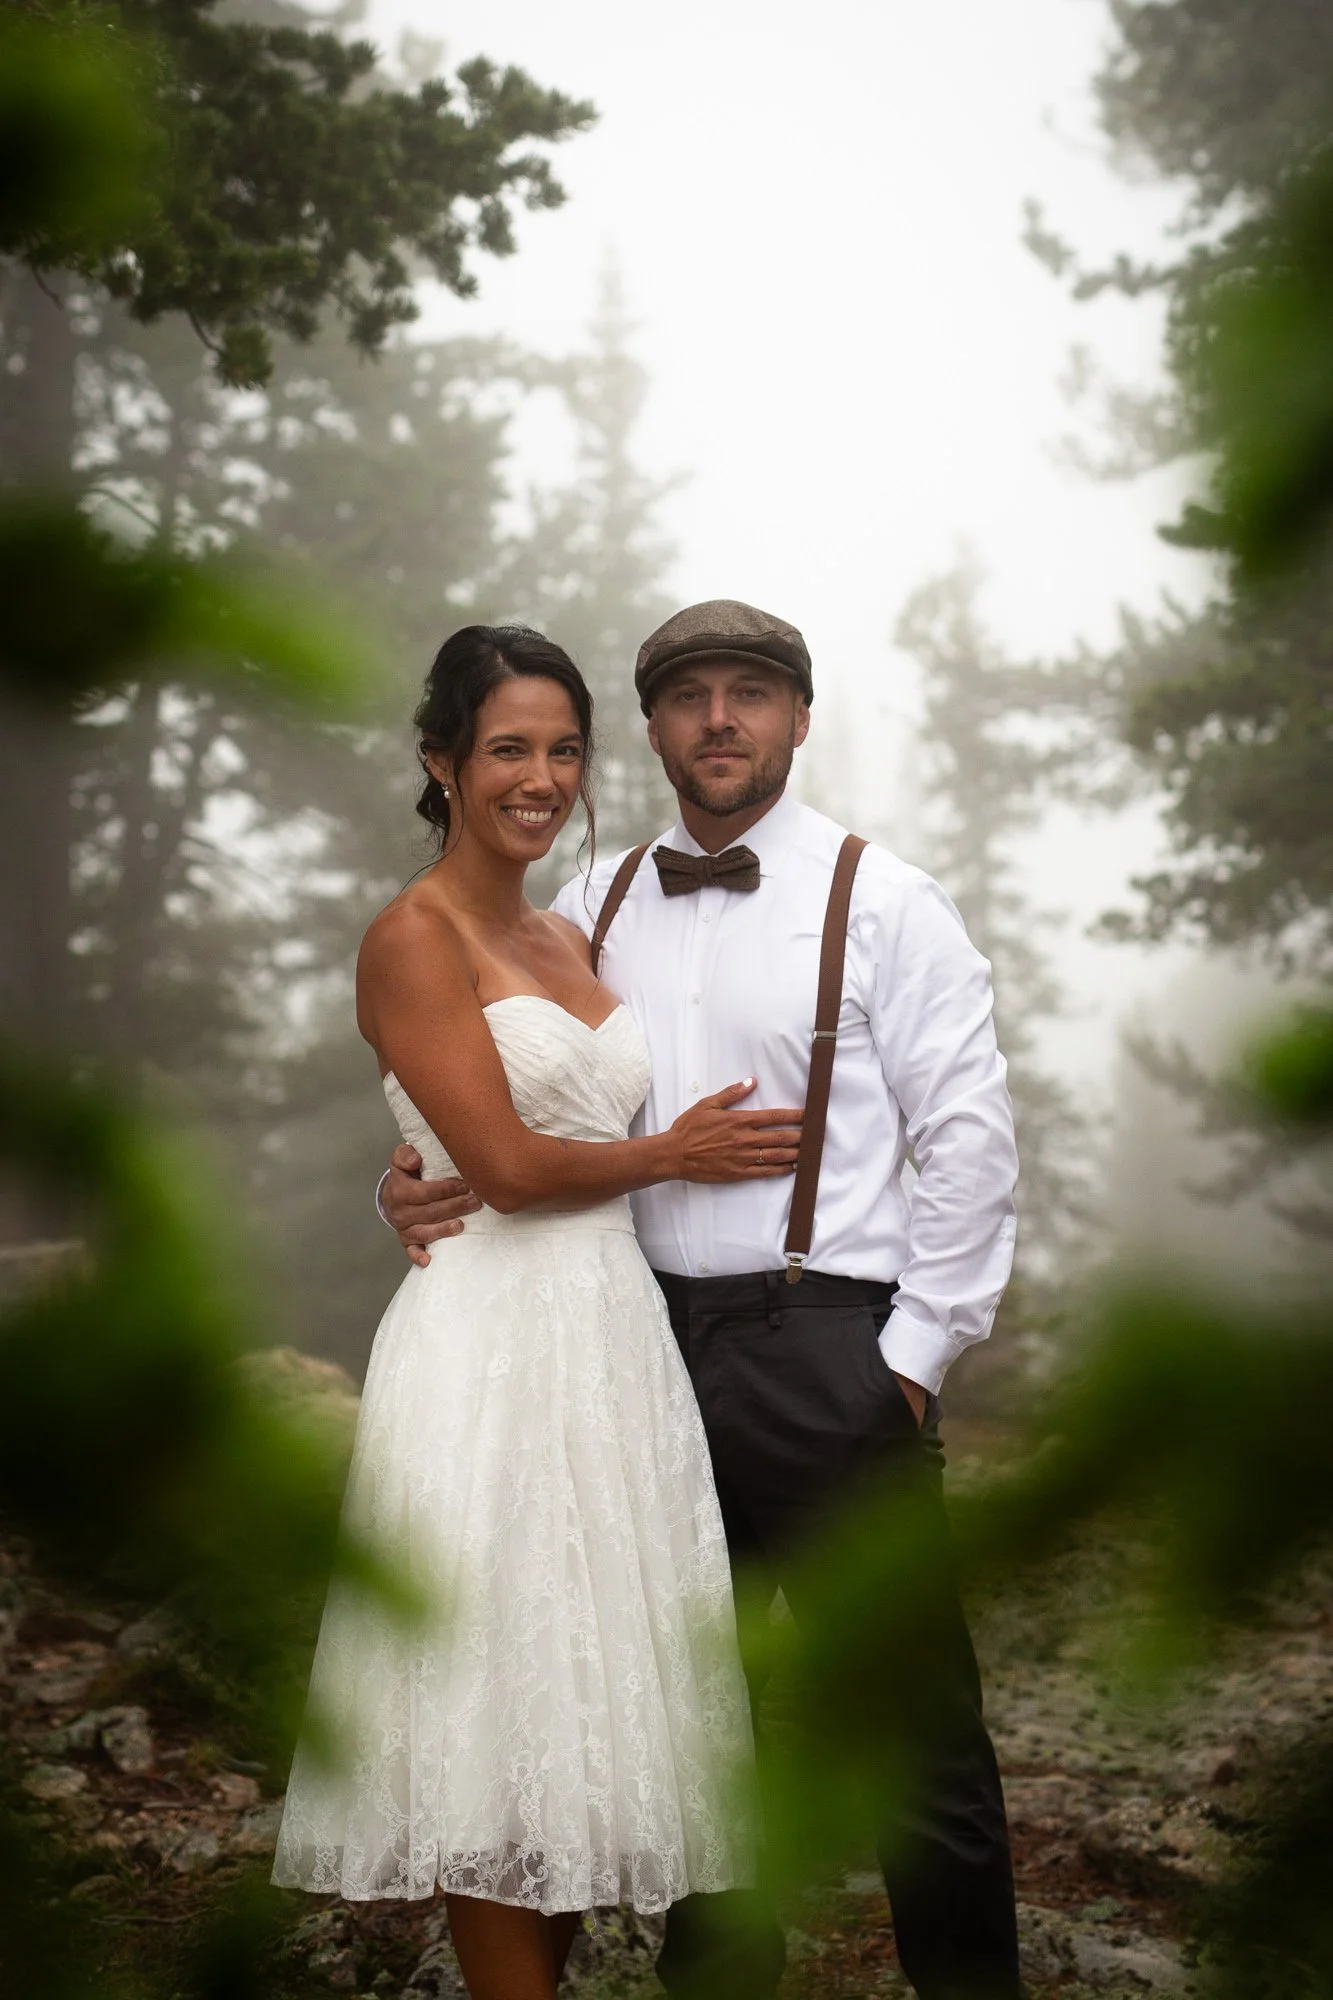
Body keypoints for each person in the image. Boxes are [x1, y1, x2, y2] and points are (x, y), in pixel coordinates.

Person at [381, 600, 1025, 2000]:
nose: (720, 720)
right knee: (684, 1732)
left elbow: (970, 1142)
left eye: (751, 694)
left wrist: (906, 1365)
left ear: (798, 719)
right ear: (657, 728)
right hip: (629, 1356)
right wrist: (417, 1175)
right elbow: (498, 1078)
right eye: (689, 698)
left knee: (916, 1745)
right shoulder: (589, 902)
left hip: (827, 1346)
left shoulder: (887, 898)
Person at [274, 624, 809, 2000]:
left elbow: (496, 1132)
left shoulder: (567, 931)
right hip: (490, 1352)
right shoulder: (411, 936)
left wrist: (414, 1174)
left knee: (577, 1710)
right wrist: (668, 1156)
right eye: (508, 747)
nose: (542, 775)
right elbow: (504, 1165)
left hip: (608, 1341)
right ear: (442, 762)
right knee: (487, 1714)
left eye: (564, 748)